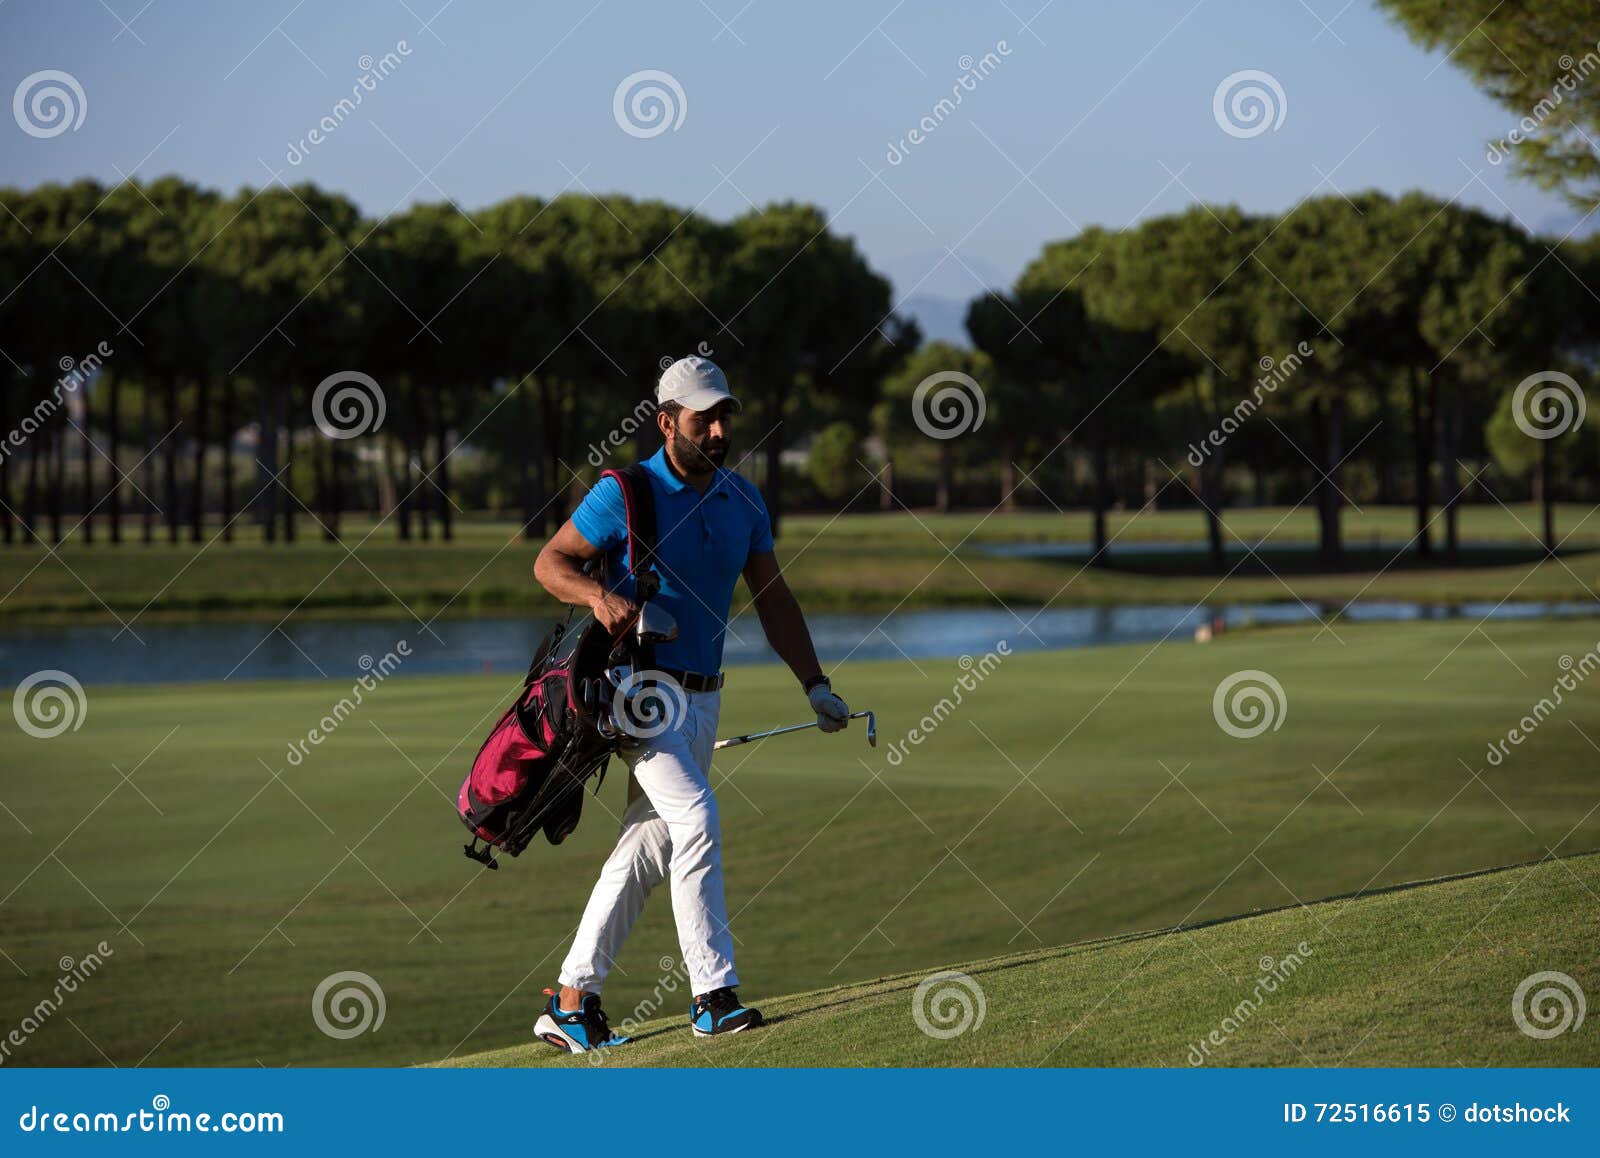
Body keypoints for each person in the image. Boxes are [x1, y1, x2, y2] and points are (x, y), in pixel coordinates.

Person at [530, 355, 850, 1052]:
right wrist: (597, 594)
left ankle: (571, 999)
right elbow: (550, 562)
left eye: (723, 417)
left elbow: (775, 599)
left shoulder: (743, 499)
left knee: (648, 846)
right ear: (666, 420)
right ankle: (713, 994)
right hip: (637, 694)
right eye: (702, 418)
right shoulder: (626, 491)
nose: (717, 430)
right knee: (697, 816)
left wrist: (815, 683)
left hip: (704, 700)